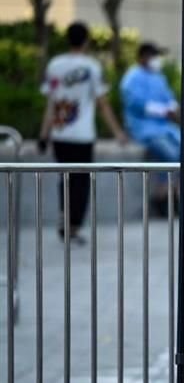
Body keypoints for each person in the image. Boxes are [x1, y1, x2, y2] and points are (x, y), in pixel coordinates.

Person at [39, 21, 127, 242]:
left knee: (64, 179)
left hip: (60, 133)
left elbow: (51, 102)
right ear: (86, 40)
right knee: (81, 182)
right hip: (82, 134)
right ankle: (74, 226)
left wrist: (44, 134)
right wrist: (117, 132)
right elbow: (102, 103)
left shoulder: (55, 65)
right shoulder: (91, 67)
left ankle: (64, 219)